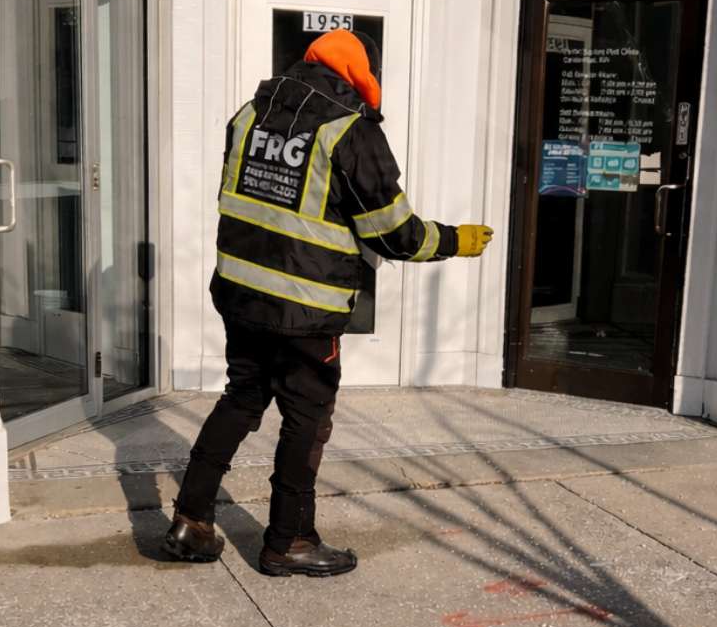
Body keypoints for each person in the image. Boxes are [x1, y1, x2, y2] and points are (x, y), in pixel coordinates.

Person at [163, 28, 494, 576]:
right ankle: (288, 541)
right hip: (306, 310)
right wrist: (454, 240)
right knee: (306, 419)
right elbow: (394, 235)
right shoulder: (350, 131)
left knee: (242, 399)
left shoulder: (249, 114)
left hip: (241, 292)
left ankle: (191, 519)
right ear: (363, 73)